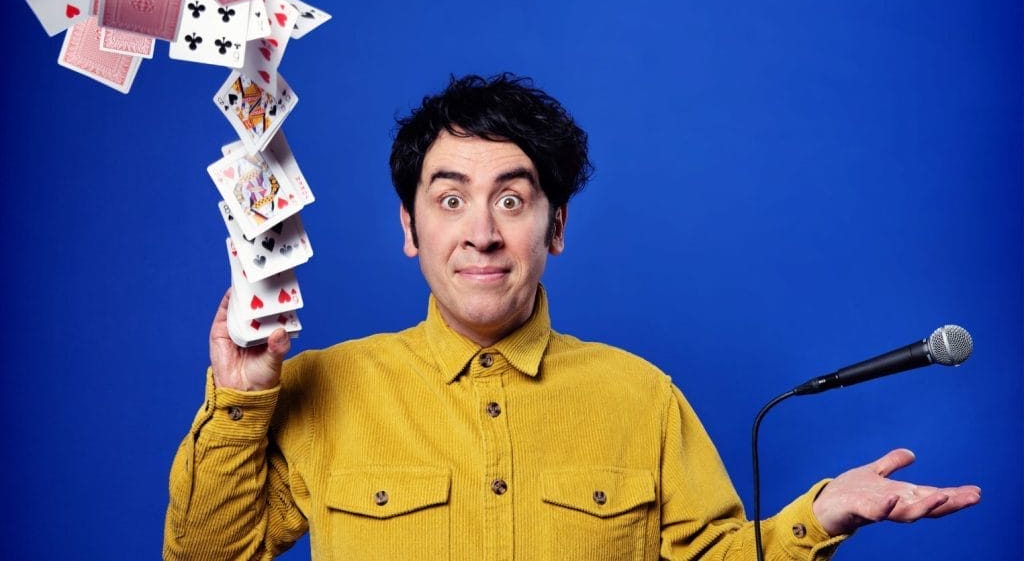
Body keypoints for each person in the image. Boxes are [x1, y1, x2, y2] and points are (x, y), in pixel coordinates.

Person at [163, 73, 980, 560]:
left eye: (511, 199)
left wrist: (819, 516)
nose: (482, 231)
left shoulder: (641, 395)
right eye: (450, 199)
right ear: (410, 229)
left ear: (555, 226)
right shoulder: (322, 387)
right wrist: (238, 399)